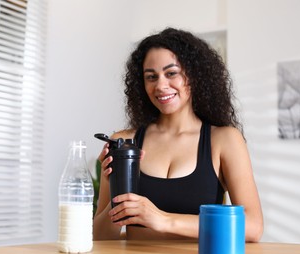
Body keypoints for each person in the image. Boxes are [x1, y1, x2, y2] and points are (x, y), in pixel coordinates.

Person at [93, 27, 263, 242]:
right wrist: (118, 193)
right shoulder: (124, 142)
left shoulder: (224, 140)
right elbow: (100, 238)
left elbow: (253, 227)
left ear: (195, 75)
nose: (161, 86)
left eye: (171, 73)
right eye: (151, 77)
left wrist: (164, 220)